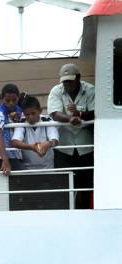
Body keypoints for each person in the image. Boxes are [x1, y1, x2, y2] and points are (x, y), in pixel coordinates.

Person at [47, 63, 95, 209]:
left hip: (86, 146)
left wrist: (80, 114)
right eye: (64, 81)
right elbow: (54, 113)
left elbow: (96, 111)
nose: (67, 84)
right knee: (63, 185)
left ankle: (84, 215)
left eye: (70, 80)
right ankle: (65, 216)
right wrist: (70, 119)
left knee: (85, 186)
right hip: (64, 147)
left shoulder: (90, 90)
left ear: (78, 78)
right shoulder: (56, 90)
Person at [12, 95, 59, 169]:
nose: (30, 117)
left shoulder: (47, 120)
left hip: (48, 168)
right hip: (28, 169)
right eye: (27, 114)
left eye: (33, 113)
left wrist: (48, 144)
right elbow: (15, 142)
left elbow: (55, 140)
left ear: (40, 111)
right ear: (23, 113)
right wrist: (32, 147)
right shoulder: (22, 122)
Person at [0, 83, 24, 175]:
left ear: (18, 98)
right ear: (2, 100)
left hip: (18, 156)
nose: (11, 103)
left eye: (14, 100)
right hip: (3, 158)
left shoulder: (20, 111)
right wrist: (5, 160)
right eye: (7, 100)